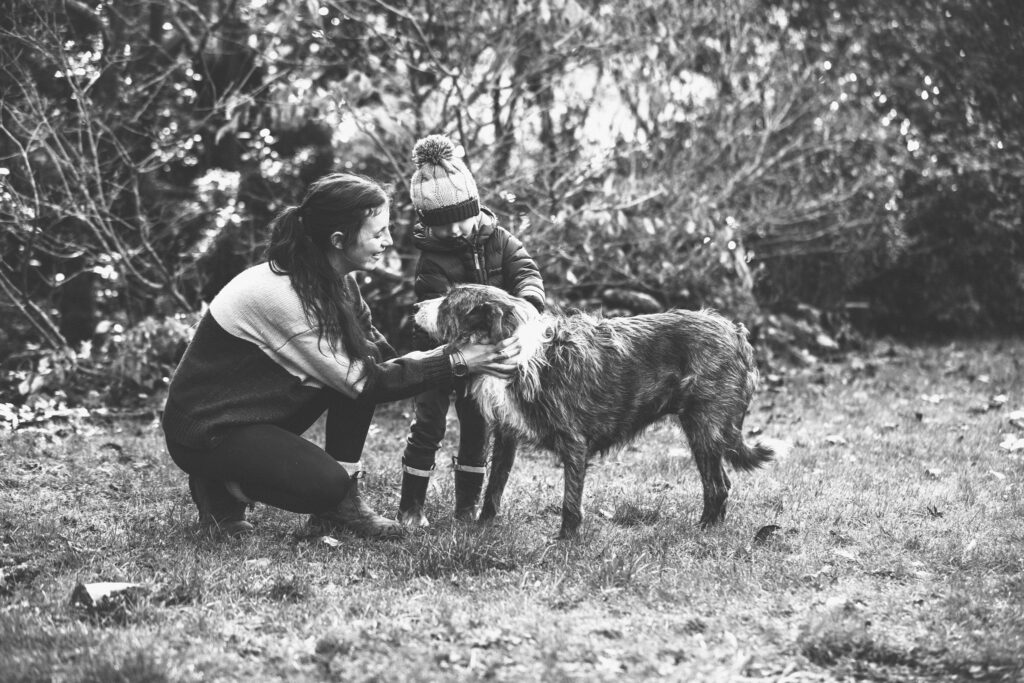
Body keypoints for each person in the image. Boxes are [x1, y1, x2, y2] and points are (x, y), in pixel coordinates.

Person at [161, 172, 521, 539]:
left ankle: (341, 509)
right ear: (338, 240)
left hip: (260, 407)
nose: (388, 241)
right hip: (209, 429)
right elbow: (369, 383)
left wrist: (451, 354)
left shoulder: (334, 277)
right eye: (378, 233)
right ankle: (221, 487)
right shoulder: (289, 297)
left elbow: (378, 355)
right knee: (325, 485)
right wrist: (457, 360)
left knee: (358, 368)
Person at [398, 135, 546, 527]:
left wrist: (527, 308)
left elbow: (527, 275)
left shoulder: (502, 241)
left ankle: (467, 508)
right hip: (440, 354)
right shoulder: (432, 261)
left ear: (475, 207)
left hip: (485, 358)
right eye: (441, 228)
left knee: (477, 427)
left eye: (458, 222)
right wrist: (459, 351)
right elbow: (437, 318)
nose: (453, 233)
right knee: (428, 424)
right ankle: (411, 506)